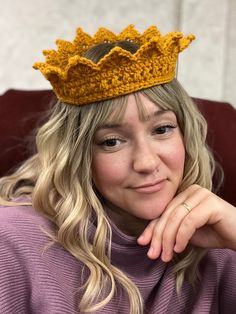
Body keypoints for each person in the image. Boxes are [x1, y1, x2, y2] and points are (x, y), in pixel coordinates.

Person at [0, 25, 236, 314]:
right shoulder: (11, 242)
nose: (146, 163)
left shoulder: (221, 244)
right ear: (78, 154)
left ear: (186, 135)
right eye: (112, 142)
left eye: (162, 129)